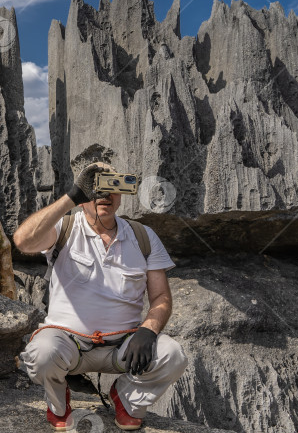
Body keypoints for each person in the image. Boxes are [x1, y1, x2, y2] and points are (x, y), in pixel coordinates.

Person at [12, 162, 188, 431]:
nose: (104, 194)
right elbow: (23, 241)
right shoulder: (64, 227)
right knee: (41, 352)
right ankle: (58, 405)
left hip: (124, 347)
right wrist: (72, 195)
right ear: (83, 195)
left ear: (121, 193)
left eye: (112, 184)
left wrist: (148, 331)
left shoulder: (143, 236)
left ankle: (126, 399)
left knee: (172, 355)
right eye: (95, 187)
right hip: (68, 344)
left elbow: (162, 296)